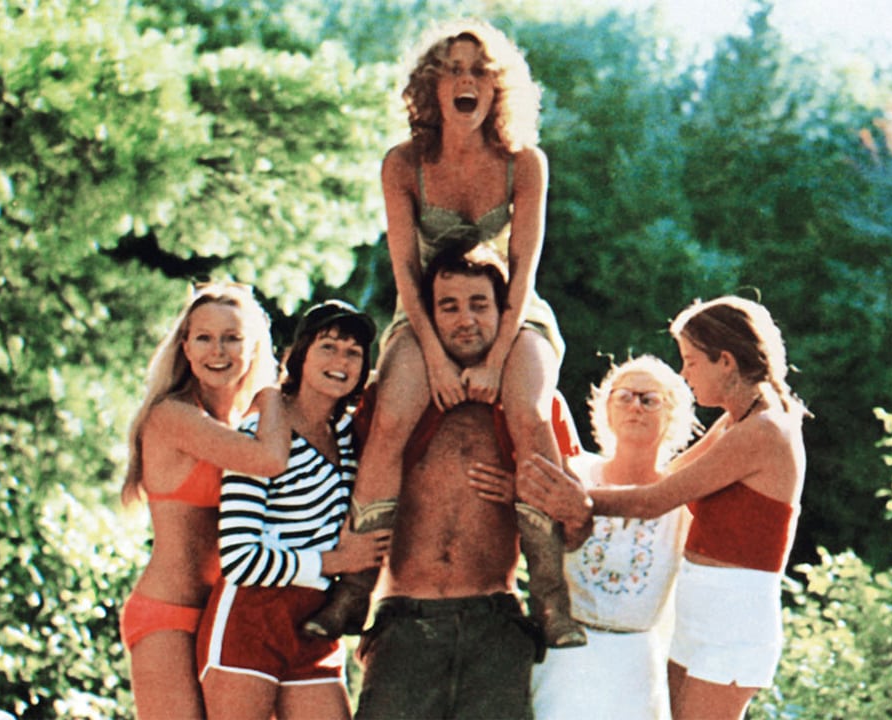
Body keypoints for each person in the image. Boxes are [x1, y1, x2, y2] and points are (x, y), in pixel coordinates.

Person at [308, 18, 583, 648]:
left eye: (480, 71)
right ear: (431, 85)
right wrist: (433, 356)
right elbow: (405, 271)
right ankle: (355, 588)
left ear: (498, 87)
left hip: (511, 307)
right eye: (453, 69)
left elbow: (524, 268)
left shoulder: (524, 163)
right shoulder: (404, 163)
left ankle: (550, 596)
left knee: (530, 411)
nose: (467, 81)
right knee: (391, 414)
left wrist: (498, 356)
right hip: (425, 310)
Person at [521, 296, 810, 720]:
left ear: (725, 361)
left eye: (691, 361)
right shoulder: (736, 421)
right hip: (698, 611)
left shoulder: (765, 429)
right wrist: (575, 477)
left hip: (734, 618)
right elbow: (669, 477)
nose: (685, 374)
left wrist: (580, 500)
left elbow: (654, 500)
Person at [353, 247, 591, 720]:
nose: (466, 320)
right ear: (428, 317)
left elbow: (574, 531)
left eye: (480, 305)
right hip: (404, 619)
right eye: (449, 306)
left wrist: (562, 505)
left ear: (505, 314)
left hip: (495, 622)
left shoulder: (535, 405)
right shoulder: (392, 398)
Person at [196, 300, 392, 720]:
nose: (341, 361)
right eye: (328, 347)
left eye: (353, 352)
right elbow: (239, 559)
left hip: (315, 620)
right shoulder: (261, 433)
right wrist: (334, 561)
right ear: (298, 356)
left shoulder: (347, 435)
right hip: (249, 618)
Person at [474, 356, 697, 720]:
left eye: (650, 399)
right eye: (624, 396)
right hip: (568, 652)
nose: (635, 407)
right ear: (606, 409)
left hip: (637, 663)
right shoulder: (574, 474)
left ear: (672, 414)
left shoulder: (682, 499)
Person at [119, 282, 291, 720]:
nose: (218, 351)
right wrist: (273, 390)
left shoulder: (248, 424)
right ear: (186, 348)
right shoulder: (172, 416)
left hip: (231, 614)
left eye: (232, 338)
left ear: (252, 347)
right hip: (168, 614)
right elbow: (270, 461)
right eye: (204, 338)